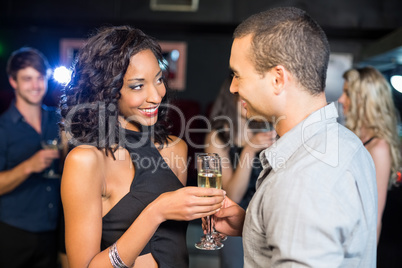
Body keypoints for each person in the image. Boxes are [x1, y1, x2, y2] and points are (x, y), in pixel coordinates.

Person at [213, 7, 378, 267]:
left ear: (278, 79)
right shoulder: (345, 142)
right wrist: (253, 225)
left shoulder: (304, 177)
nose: (232, 87)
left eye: (237, 74)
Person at [59, 25, 225, 268]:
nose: (156, 96)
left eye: (158, 80)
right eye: (137, 86)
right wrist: (156, 211)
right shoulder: (85, 160)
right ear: (107, 91)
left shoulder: (175, 148)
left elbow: (172, 242)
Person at [0, 47, 62, 267]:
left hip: (54, 231)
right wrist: (28, 166)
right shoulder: (3, 128)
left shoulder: (59, 120)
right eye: (27, 79)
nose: (36, 85)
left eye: (40, 78)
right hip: (14, 232)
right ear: (13, 82)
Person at [205, 75, 276, 268]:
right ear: (232, 97)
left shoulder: (266, 129)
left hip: (265, 223)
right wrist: (249, 150)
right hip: (234, 225)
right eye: (244, 95)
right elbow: (232, 195)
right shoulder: (217, 137)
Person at [338, 66, 401, 243]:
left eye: (347, 93)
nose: (341, 99)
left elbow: (374, 220)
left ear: (365, 99)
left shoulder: (379, 147)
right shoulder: (352, 137)